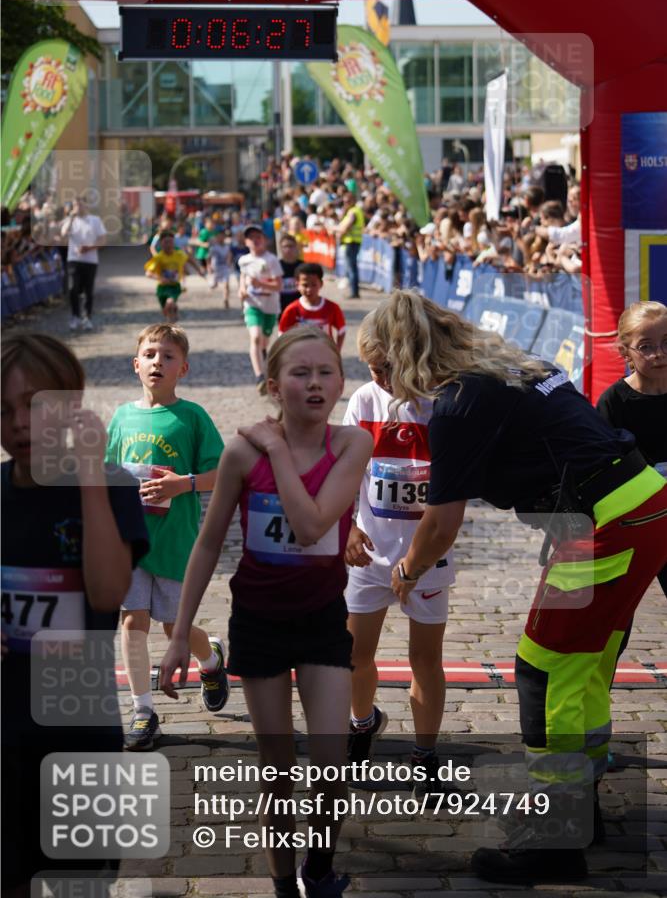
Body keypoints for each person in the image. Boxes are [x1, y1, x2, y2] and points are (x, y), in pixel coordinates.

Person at [365, 290, 667, 886]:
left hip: (606, 525)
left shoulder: (455, 404)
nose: (378, 381)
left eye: (380, 367)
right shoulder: (510, 365)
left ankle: (555, 842)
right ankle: (583, 807)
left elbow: (442, 524)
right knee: (584, 666)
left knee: (544, 671)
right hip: (640, 508)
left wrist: (406, 573)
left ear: (407, 353)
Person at [159, 326, 373, 898]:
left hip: (323, 617)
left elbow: (309, 527)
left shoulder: (352, 444)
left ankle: (320, 870)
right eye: (300, 373)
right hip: (258, 619)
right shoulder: (239, 453)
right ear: (274, 385)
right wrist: (181, 635)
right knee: (276, 770)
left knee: (329, 763)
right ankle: (283, 885)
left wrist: (277, 449)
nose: (315, 383)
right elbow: (208, 544)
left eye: (326, 372)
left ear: (341, 382)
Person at [1, 332, 149, 896]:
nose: (19, 422)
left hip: (77, 733)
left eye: (34, 405)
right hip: (4, 727)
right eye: (2, 410)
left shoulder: (109, 486)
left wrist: (89, 473)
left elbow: (109, 593)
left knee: (80, 884)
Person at [343, 318, 455, 798]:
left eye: (390, 368)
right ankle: (362, 723)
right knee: (354, 655)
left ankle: (425, 754)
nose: (382, 379)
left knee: (424, 659)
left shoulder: (444, 406)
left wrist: (417, 560)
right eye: (373, 369)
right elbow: (346, 471)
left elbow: (453, 493)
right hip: (369, 551)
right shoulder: (362, 401)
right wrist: (345, 524)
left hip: (428, 557)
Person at [105, 324, 228, 751]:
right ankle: (143, 711)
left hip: (175, 542)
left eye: (169, 356)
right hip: (130, 542)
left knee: (174, 624)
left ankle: (211, 661)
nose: (159, 361)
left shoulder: (192, 417)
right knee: (132, 619)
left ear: (184, 368)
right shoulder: (122, 416)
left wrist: (183, 484)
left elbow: (220, 474)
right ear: (136, 364)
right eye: (151, 354)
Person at [596, 300, 667, 611]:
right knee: (616, 609)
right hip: (634, 517)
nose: (659, 354)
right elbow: (601, 465)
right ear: (625, 353)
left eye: (666, 343)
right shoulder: (614, 401)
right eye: (646, 346)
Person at [238, 225, 283, 395]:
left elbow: (278, 285)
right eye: (251, 238)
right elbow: (243, 276)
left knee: (264, 341)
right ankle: (259, 377)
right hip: (252, 304)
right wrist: (241, 289)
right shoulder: (244, 260)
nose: (255, 240)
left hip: (270, 307)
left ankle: (263, 353)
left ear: (264, 240)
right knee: (255, 338)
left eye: (258, 237)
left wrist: (260, 284)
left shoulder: (271, 260)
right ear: (246, 242)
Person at [61, 195, 107, 332]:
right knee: (72, 288)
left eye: (80, 204)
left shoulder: (95, 220)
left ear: (86, 205)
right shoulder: (71, 220)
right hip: (73, 259)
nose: (78, 207)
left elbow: (103, 239)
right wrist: (71, 218)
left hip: (90, 260)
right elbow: (63, 234)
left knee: (88, 290)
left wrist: (90, 247)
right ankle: (75, 316)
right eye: (75, 205)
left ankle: (87, 317)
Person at [278, 263, 346, 351]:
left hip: (324, 354)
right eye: (305, 285)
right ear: (297, 285)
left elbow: (342, 330)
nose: (309, 289)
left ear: (321, 284)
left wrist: (336, 351)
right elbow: (282, 334)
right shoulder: (292, 310)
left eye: (313, 285)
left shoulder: (332, 307)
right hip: (300, 355)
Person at [144, 230, 204, 323]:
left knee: (170, 302)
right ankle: (171, 318)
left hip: (175, 286)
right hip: (162, 287)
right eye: (165, 242)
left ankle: (171, 321)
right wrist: (160, 278)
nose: (168, 245)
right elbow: (148, 273)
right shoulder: (158, 257)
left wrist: (199, 270)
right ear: (161, 244)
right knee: (166, 310)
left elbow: (190, 260)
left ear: (173, 242)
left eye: (170, 242)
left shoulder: (179, 254)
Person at [335, 192, 365, 299]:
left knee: (352, 268)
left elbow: (345, 227)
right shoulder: (353, 211)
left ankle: (354, 292)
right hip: (353, 242)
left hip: (351, 242)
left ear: (353, 201)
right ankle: (354, 291)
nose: (345, 203)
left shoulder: (353, 212)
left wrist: (336, 230)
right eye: (344, 201)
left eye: (348, 201)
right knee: (352, 268)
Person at [208, 229, 233, 308]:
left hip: (224, 267)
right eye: (219, 237)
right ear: (217, 238)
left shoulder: (227, 247)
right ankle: (211, 284)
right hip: (216, 268)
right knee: (213, 285)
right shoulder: (214, 248)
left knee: (226, 285)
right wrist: (209, 267)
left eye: (222, 237)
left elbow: (229, 255)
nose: (221, 238)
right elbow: (208, 258)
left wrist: (229, 262)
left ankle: (226, 299)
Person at [278, 234, 301, 312]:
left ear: (296, 247)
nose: (288, 249)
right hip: (282, 307)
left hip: (300, 306)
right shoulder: (276, 266)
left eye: (291, 246)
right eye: (285, 246)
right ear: (280, 249)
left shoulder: (303, 266)